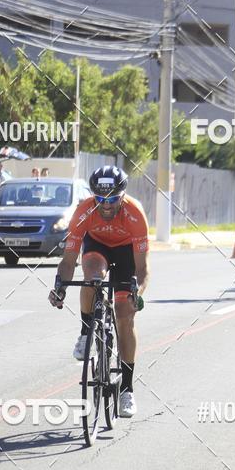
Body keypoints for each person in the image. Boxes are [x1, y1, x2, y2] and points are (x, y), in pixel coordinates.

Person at [48, 165, 149, 418]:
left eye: (112, 199)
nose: (105, 205)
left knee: (125, 315)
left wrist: (138, 292)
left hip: (127, 253)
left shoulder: (135, 214)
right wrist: (60, 286)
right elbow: (69, 261)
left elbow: (143, 268)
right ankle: (86, 333)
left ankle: (127, 389)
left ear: (122, 196)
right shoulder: (83, 211)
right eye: (100, 199)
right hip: (97, 247)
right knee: (91, 278)